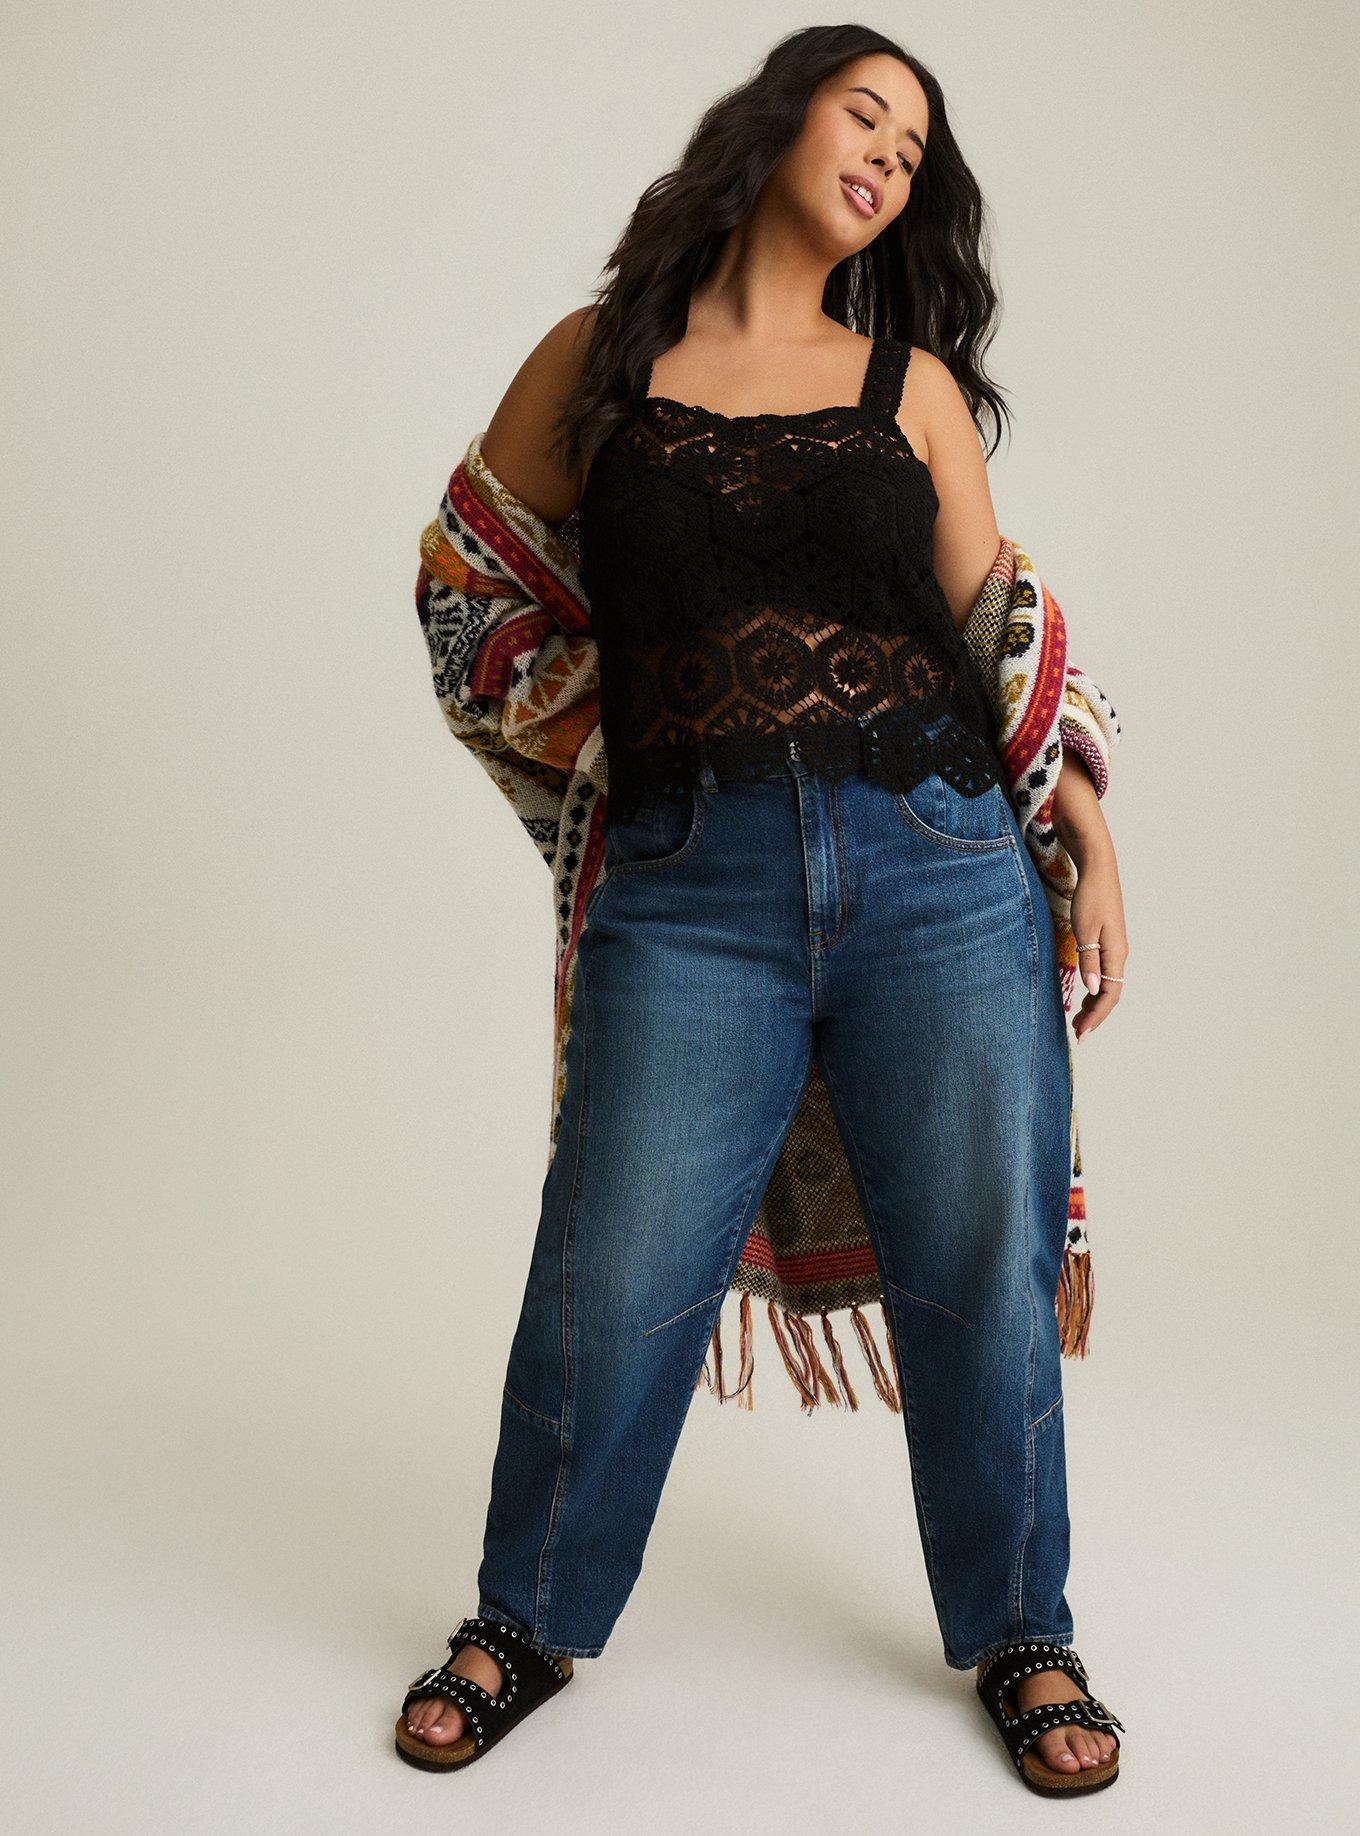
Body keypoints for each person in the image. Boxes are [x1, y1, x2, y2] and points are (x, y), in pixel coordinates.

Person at [395, 24, 1129, 1796]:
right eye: (864, 112)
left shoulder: (910, 388)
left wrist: (1090, 833)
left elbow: (1000, 631)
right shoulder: (597, 359)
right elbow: (463, 594)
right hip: (688, 887)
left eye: (913, 148)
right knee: (615, 1265)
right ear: (780, 117)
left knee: (983, 1260)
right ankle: (525, 1618)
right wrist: (611, 747)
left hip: (940, 864)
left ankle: (1023, 1630)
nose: (886, 155)